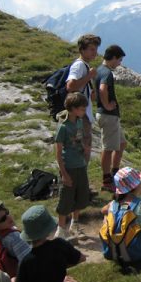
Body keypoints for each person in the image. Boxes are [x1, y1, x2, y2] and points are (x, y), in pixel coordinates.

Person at [15, 204, 86, 282]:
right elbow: (81, 258)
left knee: (12, 279)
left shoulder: (26, 261)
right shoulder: (60, 244)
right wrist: (60, 266)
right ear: (48, 229)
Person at [100, 167, 141, 269]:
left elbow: (102, 211)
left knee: (107, 216)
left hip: (116, 254)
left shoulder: (112, 204)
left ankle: (116, 249)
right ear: (135, 186)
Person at [54, 92, 91, 238]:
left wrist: (85, 147)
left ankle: (75, 223)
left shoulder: (79, 122)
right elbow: (58, 151)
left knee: (81, 195)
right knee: (66, 198)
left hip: (80, 164)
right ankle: (61, 229)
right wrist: (63, 172)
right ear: (73, 108)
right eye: (82, 109)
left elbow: (79, 138)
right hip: (69, 166)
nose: (84, 112)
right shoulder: (63, 127)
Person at [95, 44, 127, 192]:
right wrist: (107, 105)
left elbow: (95, 92)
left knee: (121, 144)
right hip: (108, 115)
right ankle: (107, 180)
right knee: (108, 148)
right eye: (119, 60)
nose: (119, 63)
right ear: (113, 58)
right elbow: (102, 89)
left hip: (109, 115)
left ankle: (115, 172)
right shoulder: (107, 73)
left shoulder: (99, 70)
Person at [66, 33, 100, 162]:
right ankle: (78, 177)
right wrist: (89, 76)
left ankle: (80, 176)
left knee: (84, 148)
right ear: (82, 49)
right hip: (80, 117)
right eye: (91, 49)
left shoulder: (84, 65)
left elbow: (80, 90)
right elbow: (70, 86)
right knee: (82, 149)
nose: (95, 53)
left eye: (96, 49)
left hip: (83, 115)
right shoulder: (79, 65)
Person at [0, 201, 32, 267]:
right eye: (3, 219)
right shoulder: (15, 238)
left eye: (7, 212)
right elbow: (29, 262)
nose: (9, 217)